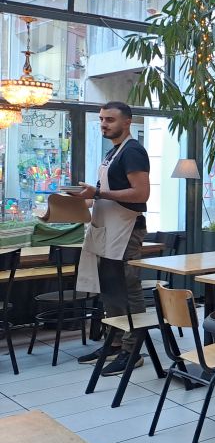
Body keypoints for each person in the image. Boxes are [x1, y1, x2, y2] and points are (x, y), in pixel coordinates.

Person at [72, 102, 151, 376]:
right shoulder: (113, 152)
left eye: (110, 119)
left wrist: (99, 194)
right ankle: (115, 342)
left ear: (127, 122)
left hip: (126, 231)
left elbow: (141, 194)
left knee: (128, 291)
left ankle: (133, 350)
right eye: (102, 119)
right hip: (108, 228)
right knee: (109, 290)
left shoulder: (133, 151)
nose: (104, 124)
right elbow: (106, 192)